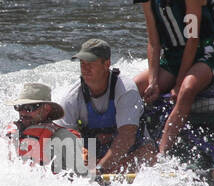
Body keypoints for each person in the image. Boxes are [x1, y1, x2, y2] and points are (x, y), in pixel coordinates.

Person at [133, 0, 214, 160]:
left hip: (203, 53)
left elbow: (192, 39)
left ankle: (161, 153)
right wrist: (154, 81)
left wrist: (179, 80)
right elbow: (153, 42)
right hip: (172, 56)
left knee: (187, 89)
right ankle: (130, 142)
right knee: (134, 87)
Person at [59, 39, 152, 175]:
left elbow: (127, 137)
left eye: (90, 63)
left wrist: (99, 169)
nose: (85, 68)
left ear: (106, 64)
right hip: (94, 153)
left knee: (148, 153)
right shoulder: (71, 97)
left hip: (132, 151)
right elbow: (62, 136)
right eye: (82, 63)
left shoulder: (126, 90)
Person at [6, 82, 85, 174]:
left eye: (29, 108)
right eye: (19, 107)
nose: (23, 113)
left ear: (46, 109)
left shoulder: (64, 138)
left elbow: (84, 180)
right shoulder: (9, 135)